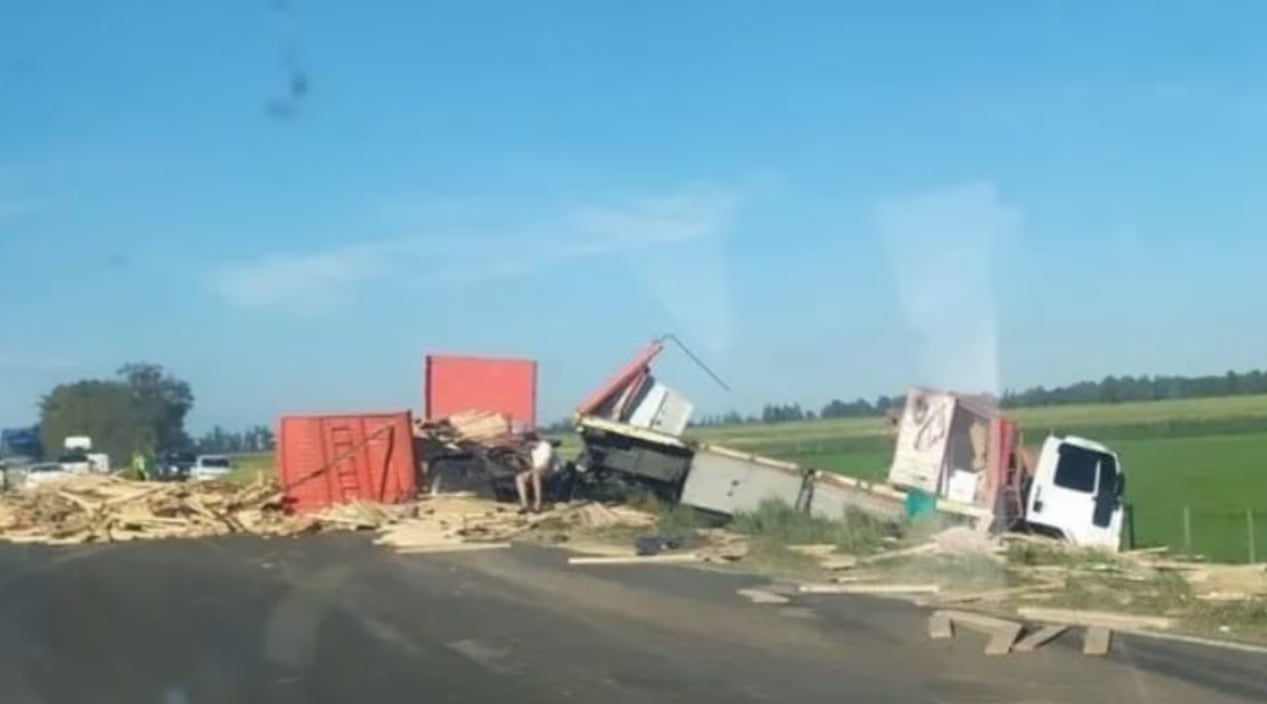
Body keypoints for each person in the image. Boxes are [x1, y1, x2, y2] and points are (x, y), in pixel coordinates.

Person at [515, 432, 555, 513]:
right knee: (519, 477)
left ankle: (538, 504)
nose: (526, 446)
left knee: (535, 476)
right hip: (537, 471)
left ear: (531, 441)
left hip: (548, 471)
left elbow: (545, 465)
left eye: (526, 444)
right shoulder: (533, 451)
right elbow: (535, 465)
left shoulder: (545, 447)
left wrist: (531, 472)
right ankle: (524, 504)